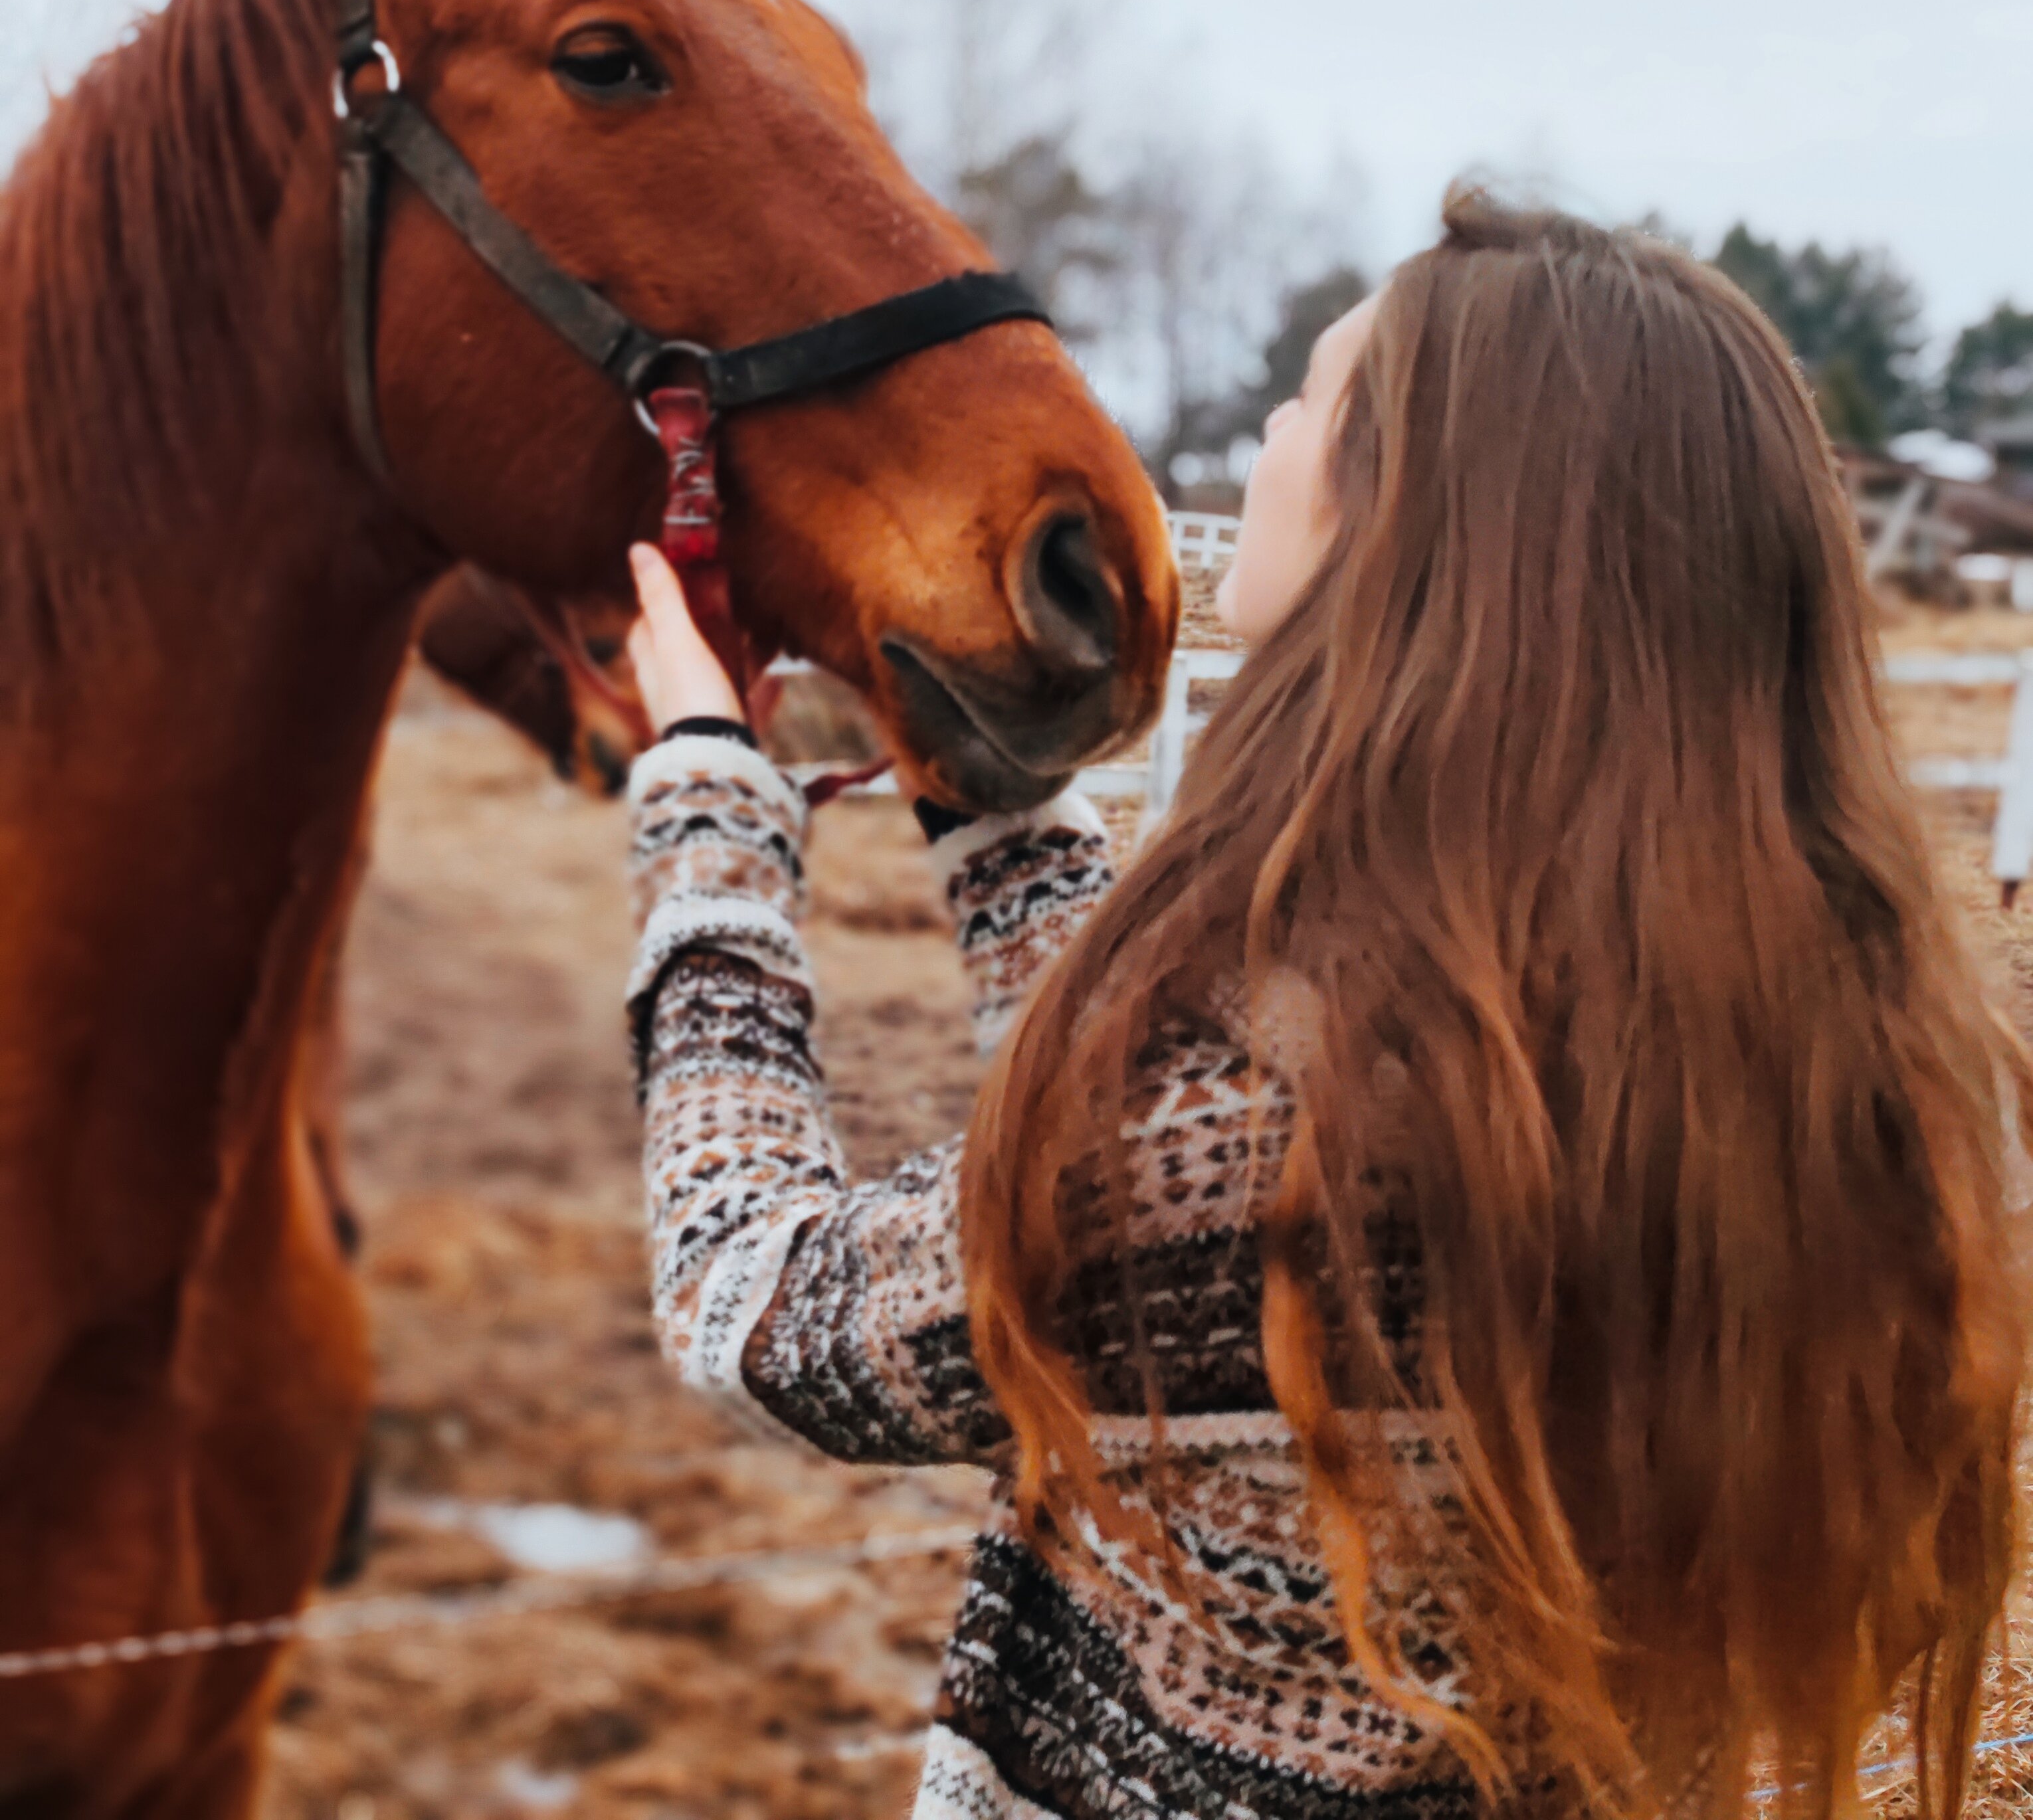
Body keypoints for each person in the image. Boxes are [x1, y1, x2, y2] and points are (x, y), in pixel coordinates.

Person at [621, 189, 2030, 1819]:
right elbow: (1166, 1165)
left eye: (1306, 399)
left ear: (1407, 518)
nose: (1271, 440)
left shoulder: (1264, 1126)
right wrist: (996, 807)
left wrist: (708, 804)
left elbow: (759, 1303)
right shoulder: (1845, 1069)